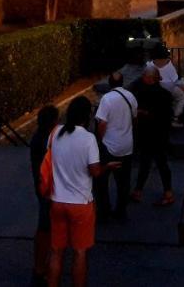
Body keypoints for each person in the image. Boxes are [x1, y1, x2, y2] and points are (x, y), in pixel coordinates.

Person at [48, 96, 120, 287]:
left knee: (56, 251)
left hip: (57, 200)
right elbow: (95, 171)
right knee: (80, 252)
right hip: (80, 202)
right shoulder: (89, 139)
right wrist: (107, 167)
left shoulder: (55, 133)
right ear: (87, 115)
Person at [128, 66, 175, 206]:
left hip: (147, 133)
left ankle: (138, 190)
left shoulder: (141, 93)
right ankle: (167, 191)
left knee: (146, 162)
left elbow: (138, 112)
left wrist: (142, 114)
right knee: (161, 163)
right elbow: (168, 115)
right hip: (161, 134)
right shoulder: (166, 95)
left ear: (148, 78)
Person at [94, 74, 138, 222]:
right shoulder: (130, 96)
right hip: (127, 145)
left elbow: (102, 123)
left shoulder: (107, 99)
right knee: (124, 181)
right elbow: (134, 116)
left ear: (110, 83)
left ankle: (104, 210)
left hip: (109, 144)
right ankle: (121, 211)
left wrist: (100, 140)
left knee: (102, 180)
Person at [30, 105, 60, 287]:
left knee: (44, 229)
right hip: (50, 190)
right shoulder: (49, 141)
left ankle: (41, 265)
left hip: (43, 188)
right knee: (49, 229)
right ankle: (44, 268)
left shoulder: (38, 138)